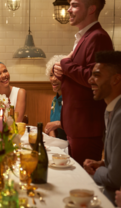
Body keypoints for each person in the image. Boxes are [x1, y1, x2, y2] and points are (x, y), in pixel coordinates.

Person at [53, 0, 114, 166]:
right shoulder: (84, 37)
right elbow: (78, 71)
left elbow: (94, 78)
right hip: (77, 125)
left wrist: (65, 64)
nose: (69, 9)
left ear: (91, 9)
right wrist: (60, 70)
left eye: (74, 5)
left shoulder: (98, 37)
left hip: (86, 126)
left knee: (82, 181)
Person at [83, 51, 121, 205]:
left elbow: (115, 178)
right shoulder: (110, 110)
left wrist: (98, 172)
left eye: (97, 75)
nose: (90, 80)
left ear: (116, 79)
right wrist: (103, 163)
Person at [45, 55, 67, 140]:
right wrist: (52, 139)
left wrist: (57, 124)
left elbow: (77, 125)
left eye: (57, 75)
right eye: (51, 75)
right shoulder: (55, 100)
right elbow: (51, 126)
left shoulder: (71, 99)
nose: (53, 79)